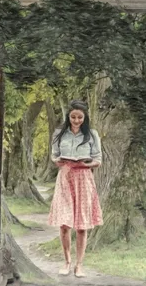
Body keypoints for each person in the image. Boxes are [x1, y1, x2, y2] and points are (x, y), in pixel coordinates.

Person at [48, 100, 103, 278]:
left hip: (84, 178)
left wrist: (86, 163)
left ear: (85, 117)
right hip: (65, 177)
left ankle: (79, 265)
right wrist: (58, 161)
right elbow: (54, 155)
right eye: (73, 117)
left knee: (81, 225)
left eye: (80, 117)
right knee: (64, 224)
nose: (76, 120)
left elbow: (98, 159)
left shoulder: (92, 134)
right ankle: (66, 261)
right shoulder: (59, 133)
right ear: (68, 116)